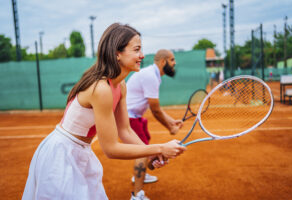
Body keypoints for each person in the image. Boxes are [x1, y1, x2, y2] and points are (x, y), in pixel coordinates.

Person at [22, 23, 186, 200]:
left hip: (80, 152)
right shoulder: (101, 89)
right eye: (136, 49)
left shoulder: (120, 85)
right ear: (117, 53)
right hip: (60, 155)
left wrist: (151, 152)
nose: (142, 55)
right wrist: (159, 147)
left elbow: (125, 130)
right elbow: (110, 148)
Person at [126, 49, 184, 200]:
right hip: (129, 117)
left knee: (145, 143)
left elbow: (156, 107)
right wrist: (170, 127)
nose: (174, 63)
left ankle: (141, 176)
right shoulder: (151, 76)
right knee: (143, 151)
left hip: (135, 116)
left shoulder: (154, 75)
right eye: (172, 60)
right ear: (163, 61)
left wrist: (172, 121)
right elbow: (155, 109)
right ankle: (136, 195)